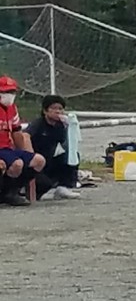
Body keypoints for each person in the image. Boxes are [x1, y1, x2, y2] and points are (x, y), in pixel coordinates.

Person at [27, 94, 84, 199]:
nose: (58, 112)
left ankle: (64, 187)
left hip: (50, 160)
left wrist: (70, 128)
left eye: (60, 109)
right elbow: (25, 136)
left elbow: (67, 145)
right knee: (44, 183)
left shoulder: (60, 125)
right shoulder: (38, 124)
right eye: (53, 108)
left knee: (72, 156)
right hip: (36, 162)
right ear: (45, 111)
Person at [0, 76, 44, 205]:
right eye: (6, 92)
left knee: (38, 161)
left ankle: (12, 191)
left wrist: (23, 152)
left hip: (7, 148)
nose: (10, 95)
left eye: (12, 92)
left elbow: (16, 131)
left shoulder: (12, 108)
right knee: (16, 164)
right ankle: (6, 193)